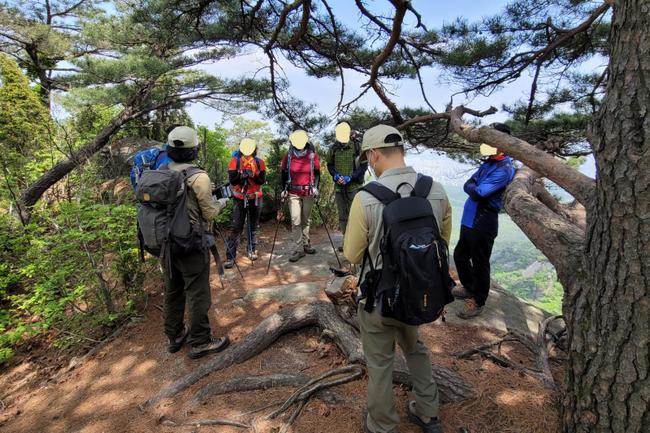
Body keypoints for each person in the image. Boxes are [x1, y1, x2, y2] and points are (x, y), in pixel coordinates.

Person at [344, 125, 452, 433]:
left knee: (380, 363)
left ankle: (382, 424)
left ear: (374, 154)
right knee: (415, 349)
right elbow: (443, 241)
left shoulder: (366, 198)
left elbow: (353, 254)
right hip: (419, 292)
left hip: (379, 298)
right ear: (401, 150)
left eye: (368, 158)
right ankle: (429, 414)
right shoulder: (436, 190)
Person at [164, 126, 230, 359]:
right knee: (197, 292)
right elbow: (209, 213)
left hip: (166, 244)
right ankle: (200, 341)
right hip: (191, 243)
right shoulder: (198, 176)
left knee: (173, 289)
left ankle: (174, 335)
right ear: (194, 150)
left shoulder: (162, 171)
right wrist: (222, 201)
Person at [452, 122, 516, 319]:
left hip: (483, 221)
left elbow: (478, 192)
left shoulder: (505, 168)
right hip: (469, 219)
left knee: (480, 262)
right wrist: (473, 186)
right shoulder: (489, 163)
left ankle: (478, 300)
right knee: (460, 256)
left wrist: (473, 186)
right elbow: (468, 184)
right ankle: (469, 287)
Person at [224, 138, 267, 268]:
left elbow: (261, 181)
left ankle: (252, 250)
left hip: (255, 197)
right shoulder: (235, 161)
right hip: (239, 198)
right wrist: (242, 175)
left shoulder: (259, 162)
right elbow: (233, 180)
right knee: (236, 227)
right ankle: (230, 256)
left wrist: (253, 175)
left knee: (253, 226)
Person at [280, 130, 321, 263]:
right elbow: (283, 173)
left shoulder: (312, 155)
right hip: (293, 192)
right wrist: (283, 189)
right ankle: (298, 249)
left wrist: (315, 187)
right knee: (295, 220)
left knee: (306, 219)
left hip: (308, 192)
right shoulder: (289, 156)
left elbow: (317, 172)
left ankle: (306, 243)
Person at [327, 121, 367, 251]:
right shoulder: (333, 148)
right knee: (342, 216)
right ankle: (346, 242)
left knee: (356, 216)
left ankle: (357, 243)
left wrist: (351, 177)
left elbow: (364, 166)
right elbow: (330, 165)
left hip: (354, 187)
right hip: (339, 188)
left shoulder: (357, 146)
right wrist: (335, 175)